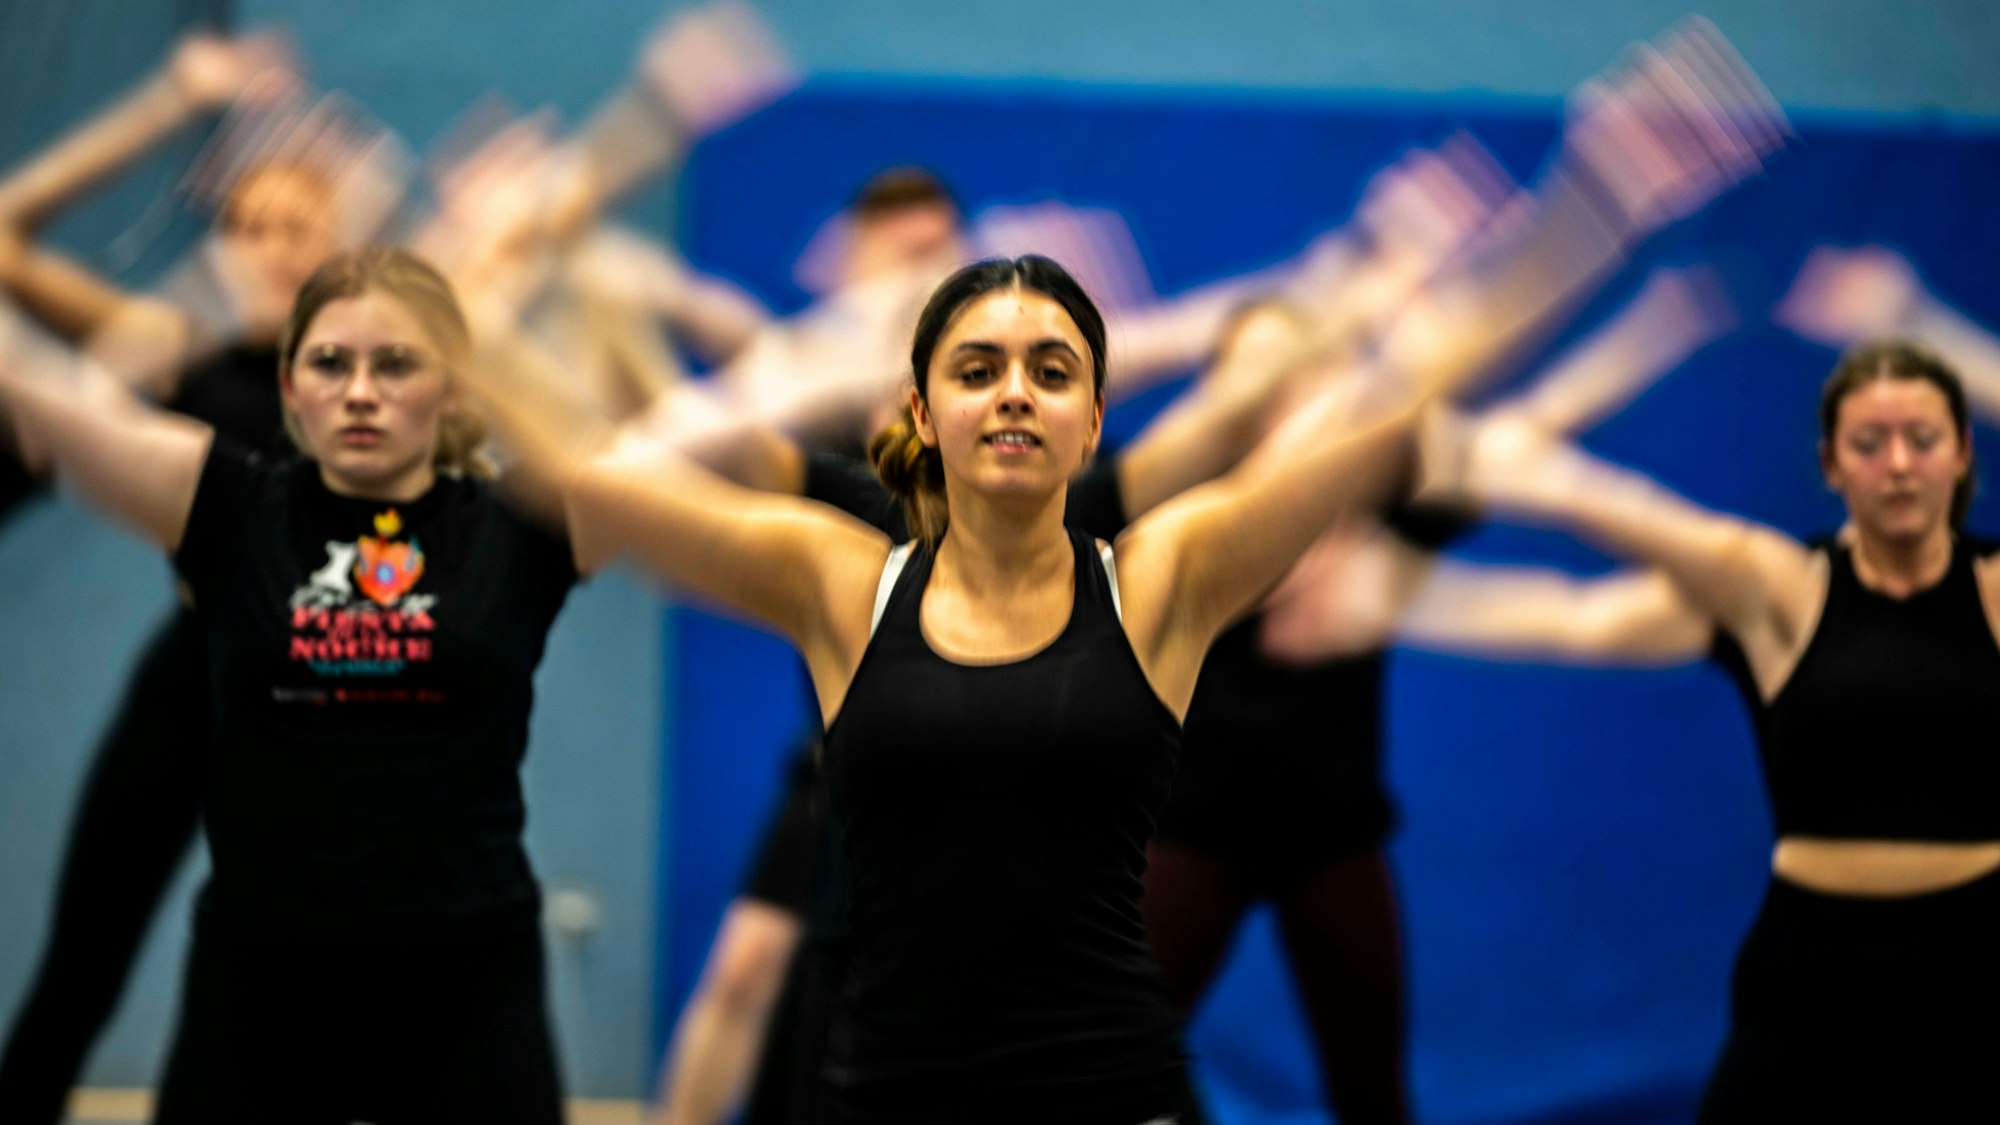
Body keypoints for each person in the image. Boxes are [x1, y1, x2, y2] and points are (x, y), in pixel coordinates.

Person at [0, 247, 582, 1123]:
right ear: (290, 387)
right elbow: (42, 385)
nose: (360, 391)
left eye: (397, 364)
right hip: (260, 978)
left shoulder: (521, 524)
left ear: (456, 388)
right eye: (330, 363)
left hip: (467, 977)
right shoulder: (226, 504)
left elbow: (675, 448)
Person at [1432, 338, 1999, 1120]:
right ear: (1831, 465)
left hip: (1977, 959)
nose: (1898, 464)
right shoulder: (1784, 589)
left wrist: (1921, 322)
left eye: (1923, 439)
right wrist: (1537, 481)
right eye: (1869, 444)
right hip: (1812, 963)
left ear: (1962, 454)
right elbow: (1650, 542)